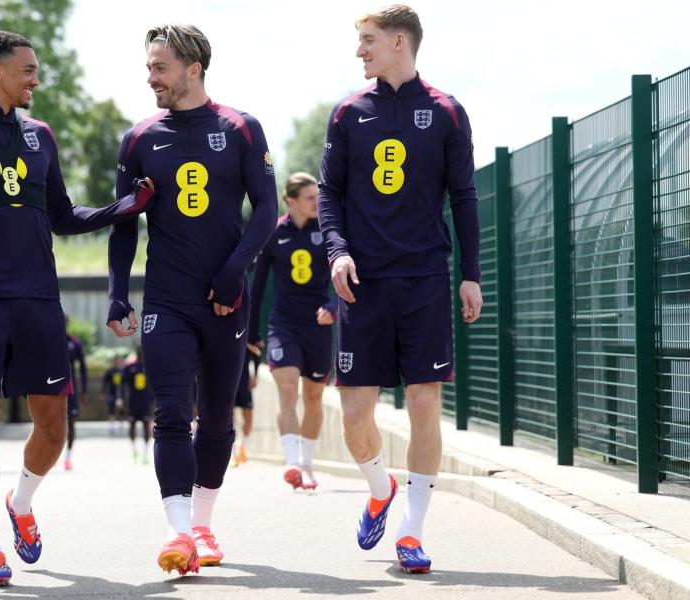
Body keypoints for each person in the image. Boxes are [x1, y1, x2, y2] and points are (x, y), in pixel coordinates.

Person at [0, 31, 154, 587]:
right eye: (27, 70)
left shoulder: (40, 135)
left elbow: (63, 215)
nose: (35, 79)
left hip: (39, 298)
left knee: (53, 426)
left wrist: (126, 207)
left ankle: (21, 501)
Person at [106, 24, 277, 576]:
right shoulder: (138, 139)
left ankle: (203, 521)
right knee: (173, 413)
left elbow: (267, 211)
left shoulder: (242, 129)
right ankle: (179, 532)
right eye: (150, 66)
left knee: (218, 419)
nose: (150, 76)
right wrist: (116, 293)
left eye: (159, 67)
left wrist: (235, 271)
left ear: (192, 69)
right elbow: (125, 226)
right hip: (166, 300)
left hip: (227, 300)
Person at [318, 5, 483, 574]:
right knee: (354, 414)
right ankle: (379, 485)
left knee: (423, 403)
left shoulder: (445, 112)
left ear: (397, 42)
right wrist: (337, 251)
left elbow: (463, 196)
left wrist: (471, 273)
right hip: (362, 285)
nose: (359, 51)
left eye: (367, 41)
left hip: (425, 282)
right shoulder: (347, 112)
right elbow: (329, 193)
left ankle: (411, 532)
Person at [248, 172, 336, 491]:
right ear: (291, 201)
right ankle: (292, 463)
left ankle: (308, 465)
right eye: (310, 198)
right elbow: (257, 288)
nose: (317, 203)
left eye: (318, 196)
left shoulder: (328, 230)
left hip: (318, 325)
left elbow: (344, 271)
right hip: (283, 324)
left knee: (313, 397)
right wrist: (250, 331)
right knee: (287, 391)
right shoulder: (274, 232)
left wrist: (334, 307)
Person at [123, 344, 154, 463]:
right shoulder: (130, 367)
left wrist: (154, 400)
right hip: (132, 402)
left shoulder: (149, 366)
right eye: (138, 349)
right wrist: (122, 400)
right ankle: (134, 451)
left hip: (145, 402)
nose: (140, 351)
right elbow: (123, 385)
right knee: (131, 425)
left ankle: (145, 453)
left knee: (146, 425)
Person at [63, 324, 88, 471]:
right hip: (52, 388)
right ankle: (50, 456)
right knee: (50, 424)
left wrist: (84, 391)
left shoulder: (74, 343)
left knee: (71, 423)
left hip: (71, 389)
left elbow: (83, 367)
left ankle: (68, 457)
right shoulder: (50, 340)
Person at [230, 345, 258, 467]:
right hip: (227, 380)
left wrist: (255, 374)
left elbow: (257, 352)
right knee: (229, 418)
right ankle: (232, 451)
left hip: (245, 381)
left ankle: (243, 445)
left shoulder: (248, 330)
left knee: (248, 417)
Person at [102, 355, 127, 436]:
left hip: (121, 394)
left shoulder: (123, 371)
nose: (118, 363)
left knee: (121, 410)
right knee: (111, 410)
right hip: (112, 393)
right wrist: (103, 392)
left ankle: (121, 427)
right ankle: (112, 428)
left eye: (119, 361)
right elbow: (105, 382)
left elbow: (126, 383)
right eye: (116, 361)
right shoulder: (110, 371)